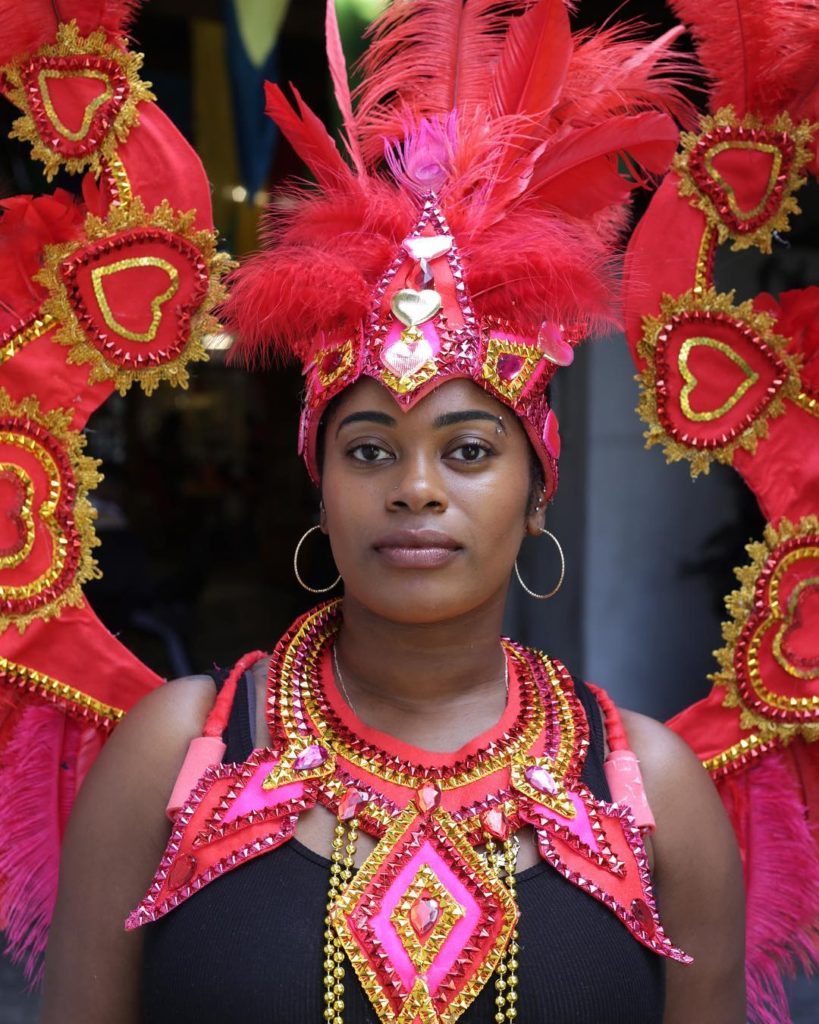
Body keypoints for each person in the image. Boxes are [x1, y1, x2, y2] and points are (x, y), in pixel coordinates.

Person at [37, 1, 747, 1022]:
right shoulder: (174, 756)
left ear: (538, 494)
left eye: (468, 450)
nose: (416, 488)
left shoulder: (654, 791)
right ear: (318, 486)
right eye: (369, 449)